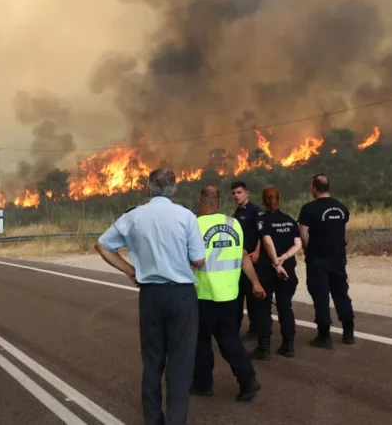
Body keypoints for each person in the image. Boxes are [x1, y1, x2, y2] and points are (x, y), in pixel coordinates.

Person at [95, 169, 205, 425]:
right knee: (180, 360)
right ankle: (175, 419)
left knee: (152, 358)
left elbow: (101, 245)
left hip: (151, 295)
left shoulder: (133, 216)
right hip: (181, 295)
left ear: (148, 188)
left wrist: (130, 270)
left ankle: (152, 418)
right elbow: (198, 258)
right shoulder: (186, 216)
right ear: (174, 189)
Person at [190, 186, 265, 402]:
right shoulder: (234, 224)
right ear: (219, 203)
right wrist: (256, 283)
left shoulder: (194, 225)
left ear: (200, 202)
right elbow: (243, 256)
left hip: (204, 294)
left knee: (201, 341)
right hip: (231, 295)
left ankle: (203, 384)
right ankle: (247, 380)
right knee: (230, 339)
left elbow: (193, 262)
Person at [298, 174, 355, 348]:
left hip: (318, 260)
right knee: (341, 294)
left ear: (314, 188)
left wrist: (308, 251)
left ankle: (324, 336)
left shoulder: (308, 209)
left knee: (320, 296)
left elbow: (303, 235)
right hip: (338, 259)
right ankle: (348, 333)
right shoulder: (341, 208)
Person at [256, 186, 302, 359]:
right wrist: (285, 257)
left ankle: (264, 347)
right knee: (285, 307)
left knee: (263, 308)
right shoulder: (290, 220)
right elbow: (298, 244)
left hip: (268, 271)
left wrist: (276, 263)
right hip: (288, 271)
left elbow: (267, 243)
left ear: (263, 201)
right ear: (279, 199)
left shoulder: (263, 220)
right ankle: (288, 345)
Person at [230, 181, 265, 339]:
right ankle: (234, 328)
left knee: (253, 298)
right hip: (239, 262)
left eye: (239, 192)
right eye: (234, 193)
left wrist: (257, 252)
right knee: (237, 298)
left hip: (252, 261)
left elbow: (263, 235)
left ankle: (255, 329)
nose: (236, 196)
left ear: (246, 193)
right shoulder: (236, 213)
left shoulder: (255, 211)